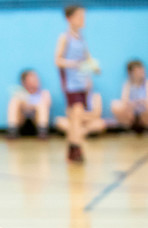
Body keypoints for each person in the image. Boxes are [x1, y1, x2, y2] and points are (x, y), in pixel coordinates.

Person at [54, 5, 99, 162]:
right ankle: (77, 148)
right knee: (77, 113)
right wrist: (74, 64)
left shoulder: (82, 38)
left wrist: (93, 68)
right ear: (69, 18)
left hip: (81, 83)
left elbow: (87, 59)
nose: (82, 19)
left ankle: (72, 149)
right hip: (71, 84)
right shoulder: (65, 38)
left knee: (75, 118)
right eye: (79, 16)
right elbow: (57, 60)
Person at [7, 70, 52, 139]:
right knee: (14, 101)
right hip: (22, 121)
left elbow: (48, 105)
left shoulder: (44, 93)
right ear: (24, 82)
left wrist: (32, 106)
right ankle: (12, 131)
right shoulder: (20, 93)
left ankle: (42, 131)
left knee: (42, 105)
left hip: (36, 121)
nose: (35, 80)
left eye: (35, 78)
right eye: (31, 78)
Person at [111, 59, 148, 133]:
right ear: (131, 73)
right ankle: (128, 125)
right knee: (115, 104)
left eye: (142, 69)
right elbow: (124, 100)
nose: (142, 72)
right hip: (132, 112)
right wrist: (133, 104)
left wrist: (141, 102)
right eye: (138, 70)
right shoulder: (128, 84)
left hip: (143, 111)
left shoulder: (146, 83)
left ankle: (144, 124)